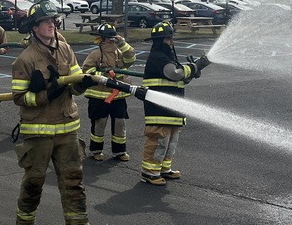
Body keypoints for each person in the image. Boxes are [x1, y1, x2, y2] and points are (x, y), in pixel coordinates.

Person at [10, 0, 96, 225]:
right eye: (45, 22)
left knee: (73, 180)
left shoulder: (65, 50)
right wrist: (45, 95)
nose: (51, 24)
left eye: (53, 20)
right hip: (38, 130)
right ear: (34, 28)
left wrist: (82, 83)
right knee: (34, 180)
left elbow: (76, 83)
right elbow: (19, 98)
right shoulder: (25, 60)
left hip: (67, 127)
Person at [140, 21, 210, 185]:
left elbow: (179, 80)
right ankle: (149, 172)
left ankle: (164, 169)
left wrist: (194, 72)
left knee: (170, 142)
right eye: (168, 39)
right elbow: (174, 73)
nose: (172, 42)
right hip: (158, 108)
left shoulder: (168, 57)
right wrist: (195, 66)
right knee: (158, 141)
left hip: (171, 108)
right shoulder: (157, 57)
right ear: (160, 41)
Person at [81, 23, 137, 161]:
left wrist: (123, 44)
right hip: (99, 97)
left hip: (118, 96)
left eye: (112, 38)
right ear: (101, 39)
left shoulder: (120, 52)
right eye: (108, 38)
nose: (111, 41)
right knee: (99, 124)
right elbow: (86, 72)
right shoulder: (95, 55)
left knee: (119, 123)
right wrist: (103, 75)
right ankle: (96, 150)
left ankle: (120, 151)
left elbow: (131, 59)